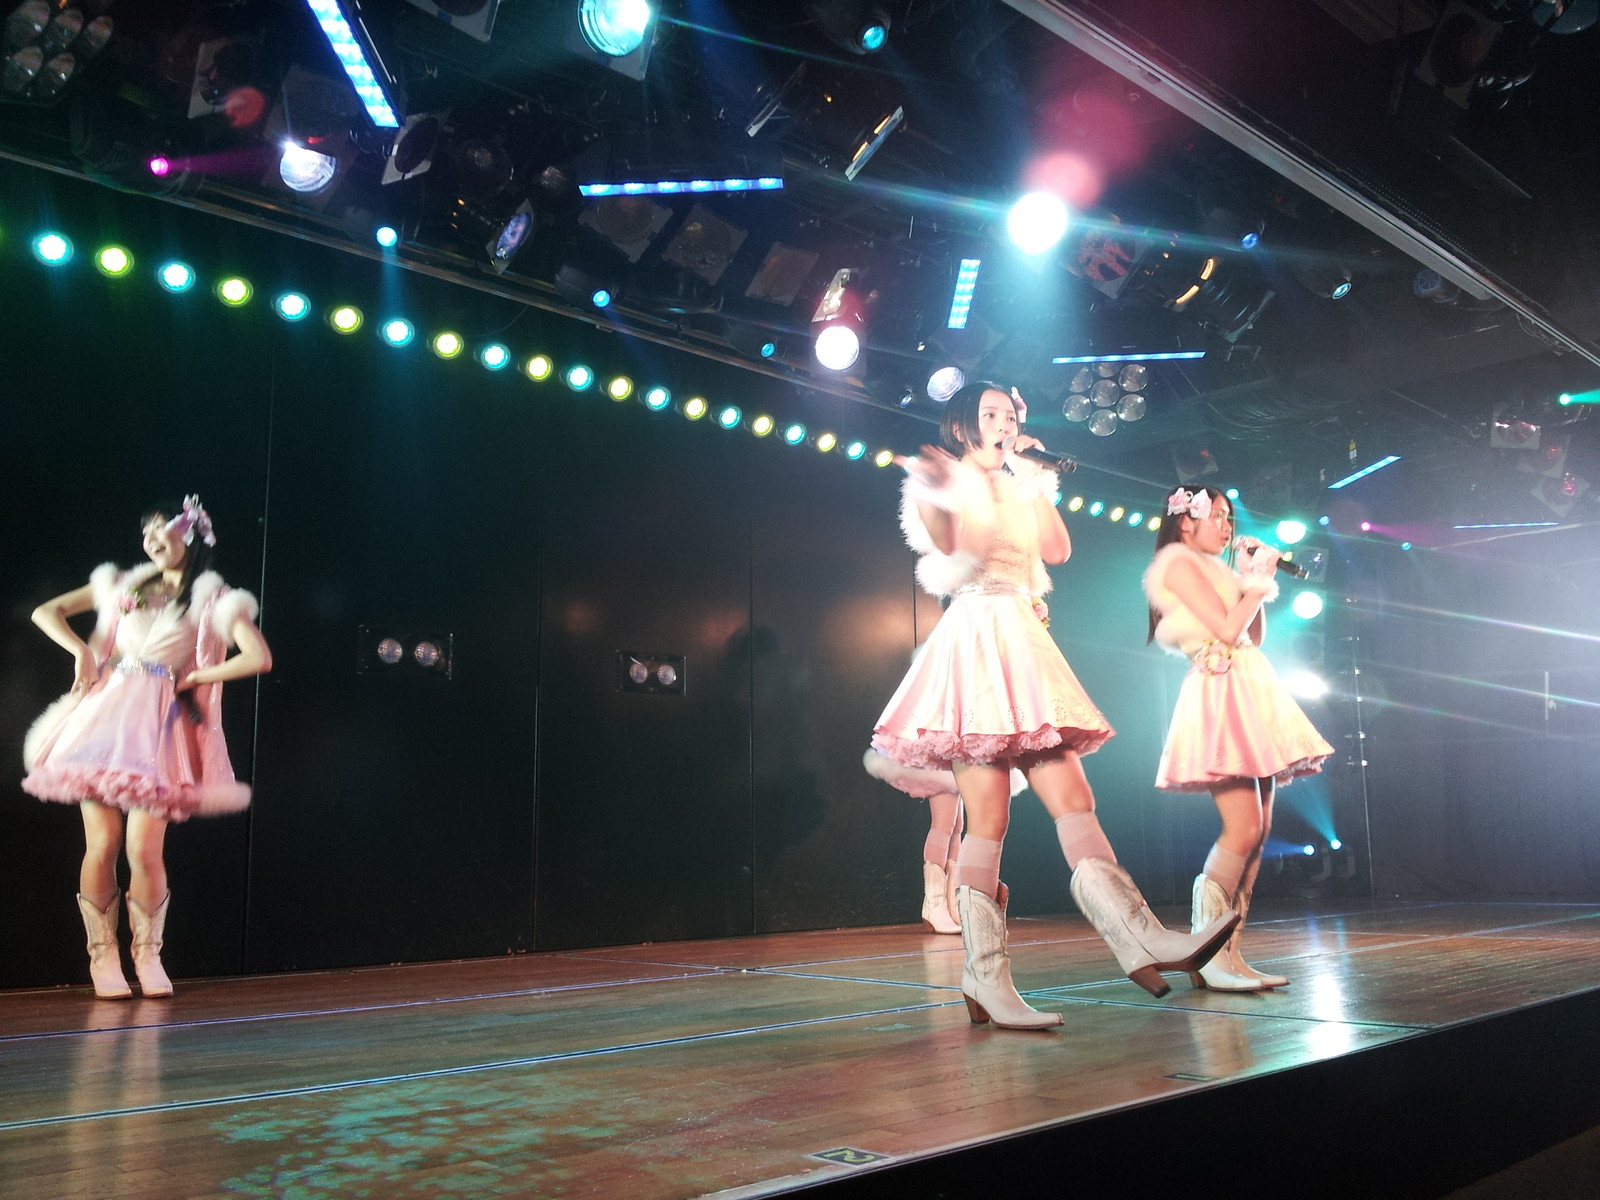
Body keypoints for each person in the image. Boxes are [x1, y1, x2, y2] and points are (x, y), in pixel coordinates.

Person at [871, 382, 1236, 1030]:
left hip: (1022, 636)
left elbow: (1058, 550)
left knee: (1075, 797)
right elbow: (950, 546)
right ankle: (986, 977)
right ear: (961, 425)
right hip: (977, 642)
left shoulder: (1020, 482)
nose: (1003, 423)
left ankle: (1139, 935)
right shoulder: (946, 481)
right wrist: (939, 490)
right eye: (989, 414)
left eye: (1009, 414)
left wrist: (1035, 479)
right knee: (988, 819)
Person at [22, 496, 272, 999]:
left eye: (162, 528)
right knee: (102, 843)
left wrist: (198, 676)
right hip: (103, 717)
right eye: (146, 532)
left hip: (159, 728)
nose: (151, 539)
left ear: (190, 534)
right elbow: (46, 612)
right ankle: (103, 956)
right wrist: (81, 651)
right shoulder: (125, 585)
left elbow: (258, 657)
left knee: (142, 847)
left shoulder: (213, 598)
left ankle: (147, 953)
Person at [1143, 485, 1334, 991]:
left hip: (1248, 688)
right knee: (1243, 827)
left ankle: (1228, 953)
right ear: (1186, 520)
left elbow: (1254, 634)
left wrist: (1251, 579)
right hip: (1219, 692)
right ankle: (1206, 951)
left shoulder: (1217, 569)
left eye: (1230, 518)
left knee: (1260, 830)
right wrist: (1257, 581)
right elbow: (1227, 632)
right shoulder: (1177, 565)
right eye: (1218, 516)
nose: (1227, 528)